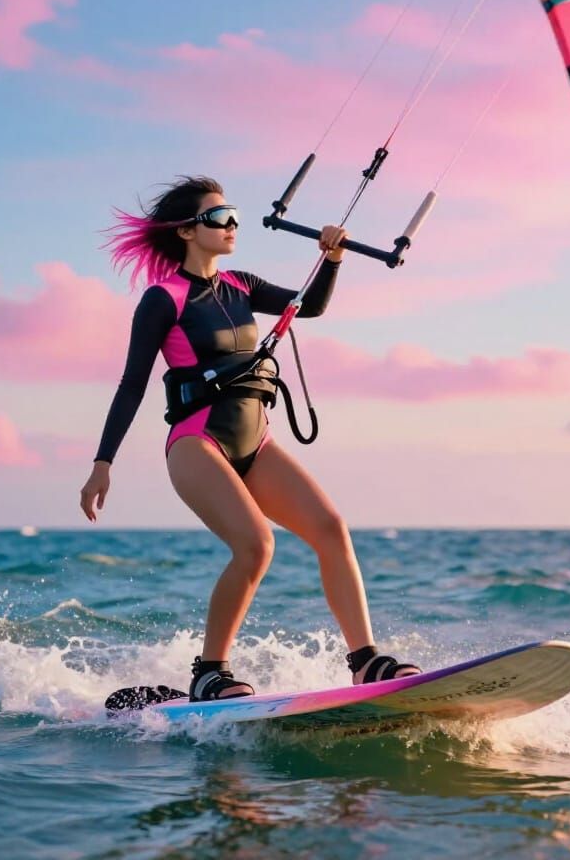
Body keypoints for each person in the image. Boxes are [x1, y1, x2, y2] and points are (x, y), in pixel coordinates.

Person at [80, 176, 420, 701]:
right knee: (256, 546)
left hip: (256, 441)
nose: (232, 223)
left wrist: (331, 258)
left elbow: (308, 305)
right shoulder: (163, 299)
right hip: (198, 442)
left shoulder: (242, 286)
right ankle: (209, 672)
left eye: (233, 214)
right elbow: (131, 385)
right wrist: (103, 463)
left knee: (331, 529)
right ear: (187, 231)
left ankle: (365, 661)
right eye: (219, 217)